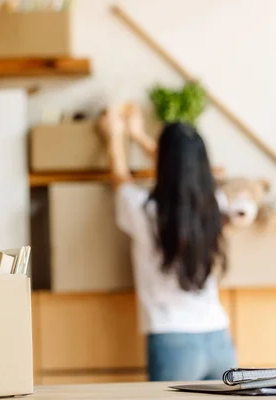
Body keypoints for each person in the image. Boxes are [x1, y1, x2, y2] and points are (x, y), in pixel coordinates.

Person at [96, 104, 236, 382]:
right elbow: (183, 167)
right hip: (219, 338)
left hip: (172, 342)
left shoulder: (145, 211)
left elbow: (121, 177)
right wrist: (138, 135)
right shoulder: (215, 205)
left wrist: (115, 135)